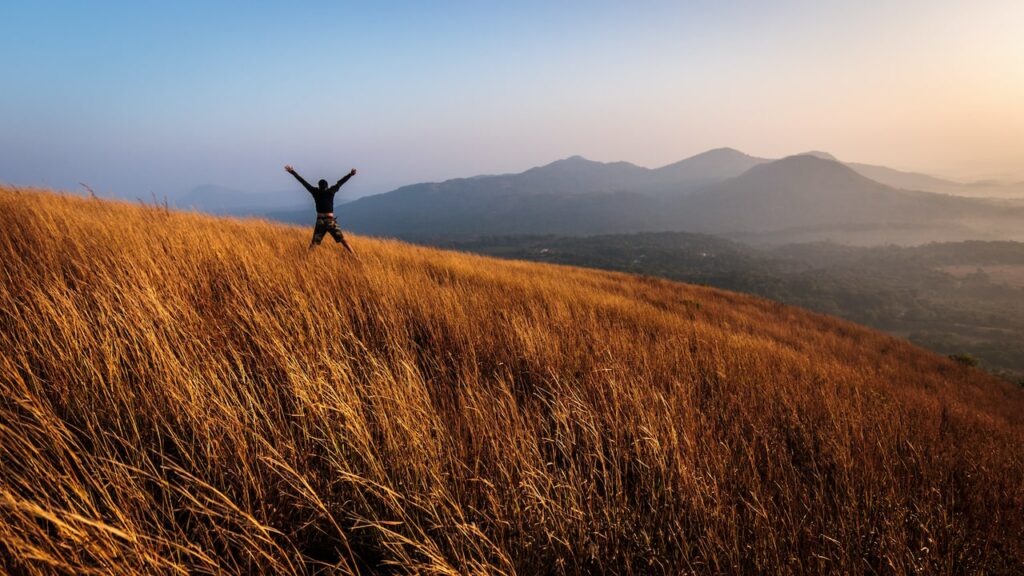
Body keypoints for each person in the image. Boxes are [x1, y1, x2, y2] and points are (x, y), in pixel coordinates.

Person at [285, 165, 357, 252]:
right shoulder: (331, 191)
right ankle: (355, 256)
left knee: (314, 243)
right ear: (327, 186)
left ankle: (305, 258)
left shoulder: (315, 192)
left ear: (319, 186)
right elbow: (340, 183)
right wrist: (350, 174)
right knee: (343, 240)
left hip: (320, 221)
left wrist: (292, 172)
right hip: (330, 220)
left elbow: (303, 182)